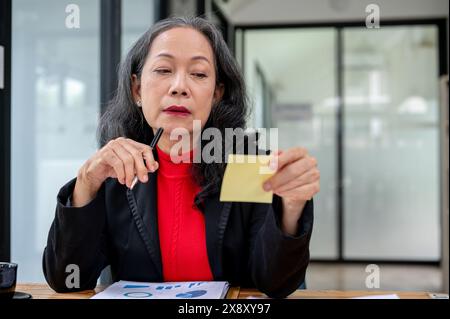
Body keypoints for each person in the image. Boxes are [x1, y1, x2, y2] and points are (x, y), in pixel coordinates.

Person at [43, 16, 320, 298]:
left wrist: (292, 206)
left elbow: (274, 283)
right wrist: (86, 182)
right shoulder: (115, 171)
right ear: (137, 89)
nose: (179, 87)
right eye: (163, 70)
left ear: (216, 94)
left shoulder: (248, 167)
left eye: (199, 74)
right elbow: (68, 279)